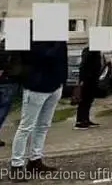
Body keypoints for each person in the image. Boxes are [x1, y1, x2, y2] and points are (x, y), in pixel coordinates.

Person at [9, 39, 67, 180]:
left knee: (43, 125)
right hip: (36, 88)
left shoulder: (59, 39)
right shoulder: (33, 38)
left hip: (55, 86)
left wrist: (62, 81)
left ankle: (35, 159)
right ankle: (16, 165)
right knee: (26, 126)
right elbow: (41, 56)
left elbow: (62, 60)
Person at [74, 46, 101, 129]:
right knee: (84, 101)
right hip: (87, 80)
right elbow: (83, 65)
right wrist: (82, 80)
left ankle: (85, 119)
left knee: (88, 101)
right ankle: (79, 121)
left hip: (92, 79)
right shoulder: (89, 51)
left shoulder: (96, 51)